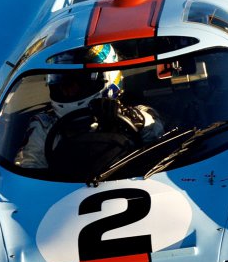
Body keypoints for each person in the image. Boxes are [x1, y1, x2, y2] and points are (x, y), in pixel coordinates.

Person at [14, 44, 163, 171]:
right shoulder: (45, 125)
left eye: (78, 83)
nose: (68, 91)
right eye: (63, 85)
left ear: (107, 78)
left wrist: (126, 117)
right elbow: (28, 167)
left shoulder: (134, 114)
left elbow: (156, 131)